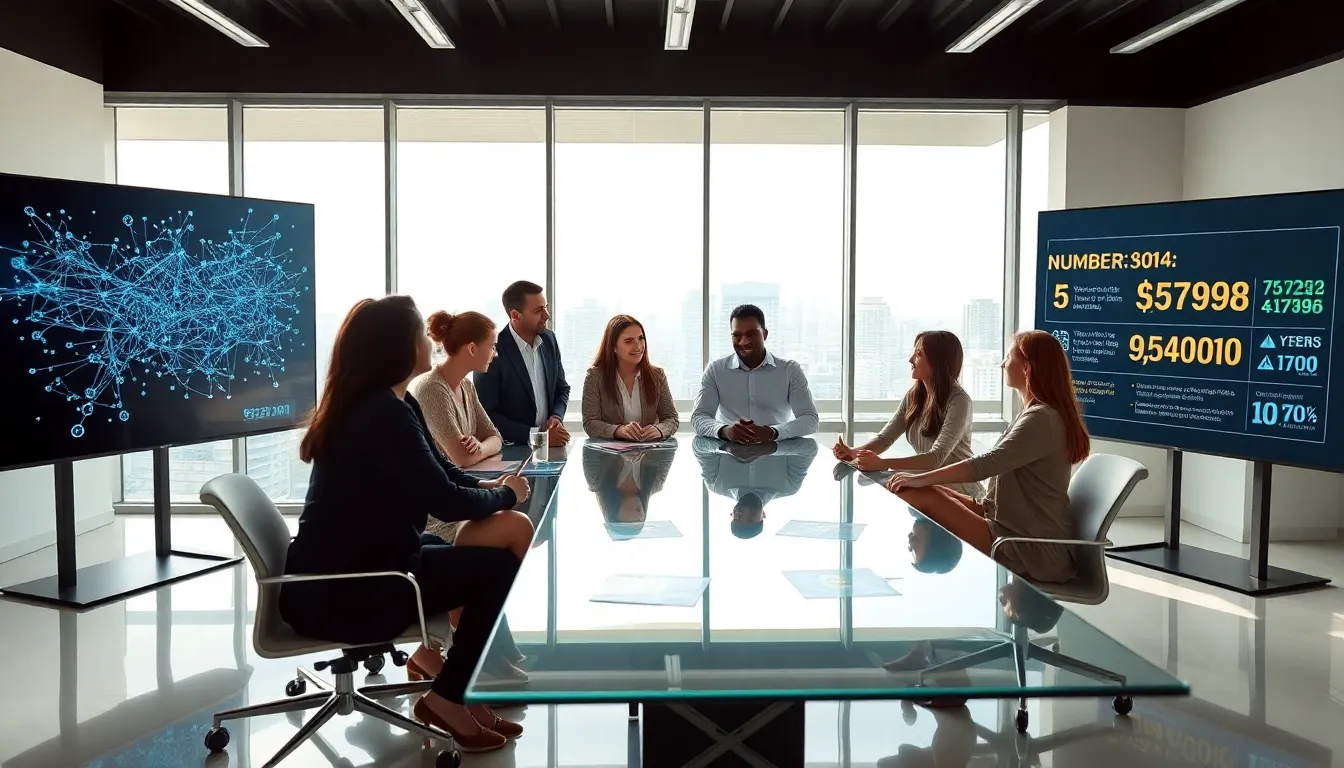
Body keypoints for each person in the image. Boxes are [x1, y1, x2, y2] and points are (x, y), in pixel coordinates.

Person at [279, 295, 530, 752]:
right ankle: (448, 697)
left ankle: (454, 681)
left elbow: (443, 472)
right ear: (399, 347)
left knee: (444, 546)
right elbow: (444, 500)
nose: (429, 343)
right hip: (346, 591)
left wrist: (491, 487)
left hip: (351, 570)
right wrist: (506, 496)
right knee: (497, 570)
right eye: (420, 335)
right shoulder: (382, 413)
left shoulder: (394, 403)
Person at [886, 330, 1090, 584]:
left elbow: (985, 465)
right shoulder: (1033, 415)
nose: (1003, 363)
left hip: (1031, 550)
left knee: (919, 491)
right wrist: (924, 481)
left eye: (1009, 357)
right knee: (923, 489)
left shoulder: (1041, 420)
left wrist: (921, 478)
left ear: (1027, 368)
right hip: (1007, 526)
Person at [833, 331, 983, 499]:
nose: (910, 360)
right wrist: (854, 453)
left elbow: (936, 457)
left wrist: (883, 464)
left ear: (937, 361)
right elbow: (885, 438)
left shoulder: (959, 401)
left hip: (961, 493)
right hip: (928, 485)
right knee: (867, 479)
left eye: (918, 354)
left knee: (883, 480)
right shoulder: (914, 396)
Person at [692, 304, 819, 443]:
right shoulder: (716, 370)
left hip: (777, 451)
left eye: (751, 334)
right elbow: (699, 417)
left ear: (765, 334)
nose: (743, 342)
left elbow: (810, 419)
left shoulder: (790, 371)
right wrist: (725, 431)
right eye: (737, 335)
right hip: (727, 451)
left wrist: (773, 432)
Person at [475, 280, 571, 448]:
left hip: (549, 449)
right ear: (515, 315)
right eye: (538, 310)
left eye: (545, 307)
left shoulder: (549, 339)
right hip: (509, 449)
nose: (546, 315)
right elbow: (486, 415)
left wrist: (556, 417)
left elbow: (561, 388)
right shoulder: (492, 349)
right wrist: (538, 437)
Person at [693, 436, 819, 538]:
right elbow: (810, 448)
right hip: (777, 420)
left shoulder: (716, 484)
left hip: (729, 419)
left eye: (736, 518)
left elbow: (698, 444)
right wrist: (772, 448)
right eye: (750, 519)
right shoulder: (789, 486)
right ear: (763, 515)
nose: (741, 514)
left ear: (731, 514)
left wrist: (727, 447)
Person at [582, 314, 679, 440]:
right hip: (612, 451)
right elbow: (590, 423)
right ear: (613, 346)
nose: (638, 346)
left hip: (649, 449)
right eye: (628, 341)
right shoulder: (595, 377)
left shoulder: (657, 376)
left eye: (640, 338)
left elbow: (671, 418)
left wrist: (659, 430)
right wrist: (619, 430)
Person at [582, 443, 676, 535]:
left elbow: (590, 445)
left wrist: (621, 449)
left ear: (613, 511)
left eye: (632, 522)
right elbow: (671, 445)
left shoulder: (595, 481)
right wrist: (645, 448)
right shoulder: (656, 482)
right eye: (640, 521)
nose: (639, 516)